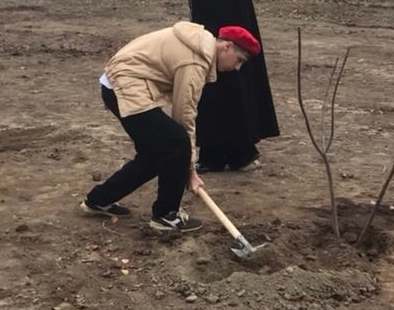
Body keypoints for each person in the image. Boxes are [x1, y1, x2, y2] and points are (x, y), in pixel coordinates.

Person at [81, 22, 261, 234]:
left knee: (155, 153)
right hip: (126, 85)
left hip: (121, 82)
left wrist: (187, 165)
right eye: (239, 60)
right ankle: (167, 216)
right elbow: (184, 114)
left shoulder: (198, 45)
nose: (237, 67)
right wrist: (190, 168)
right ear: (227, 46)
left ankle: (99, 200)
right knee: (176, 144)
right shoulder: (195, 60)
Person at [189, 0, 278, 172]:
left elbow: (217, 14)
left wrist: (210, 45)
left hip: (222, 48)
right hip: (226, 46)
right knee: (229, 100)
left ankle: (221, 156)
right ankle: (233, 154)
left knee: (220, 99)